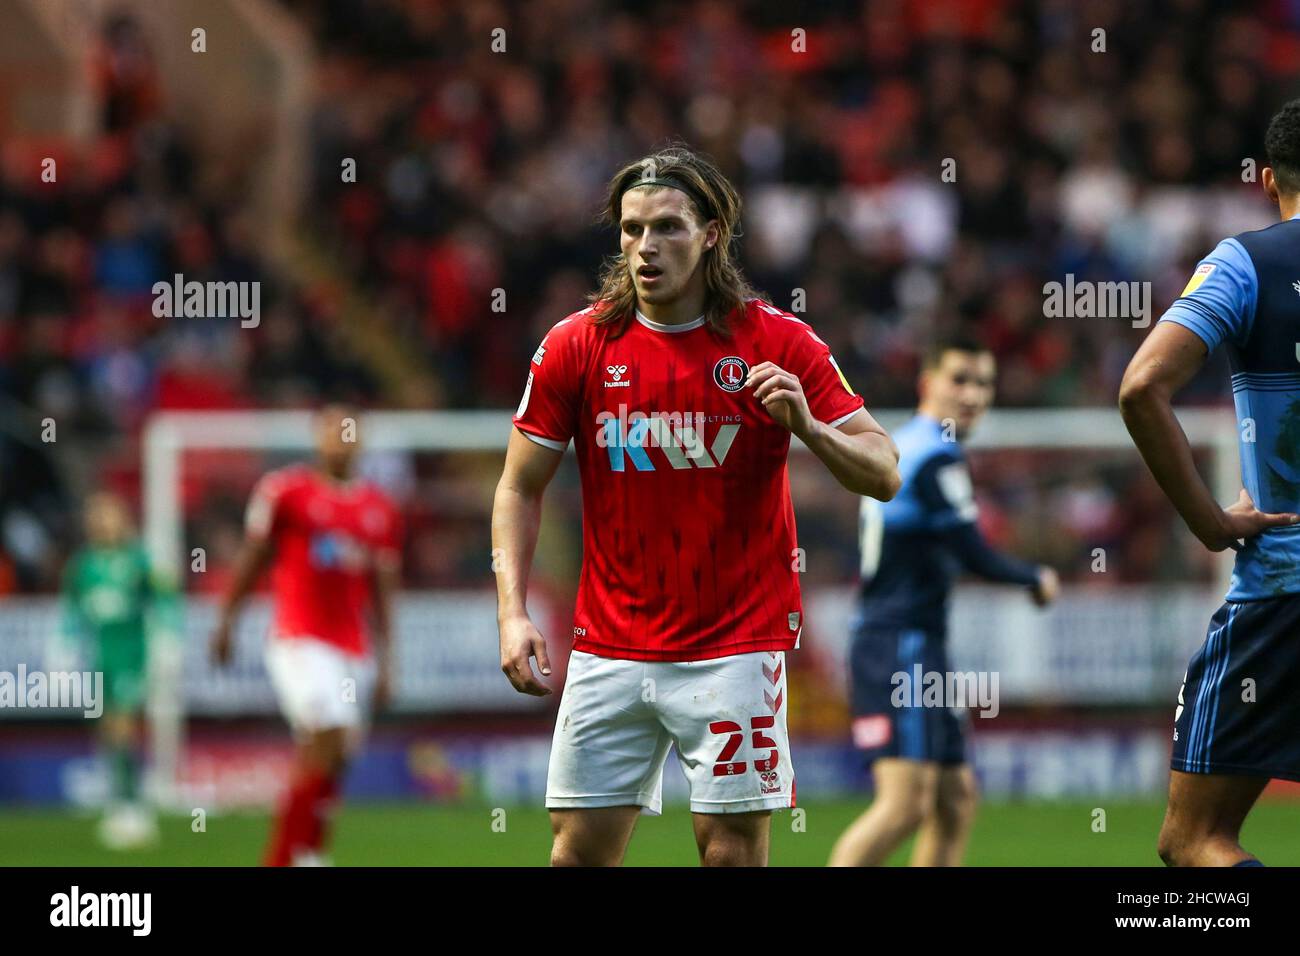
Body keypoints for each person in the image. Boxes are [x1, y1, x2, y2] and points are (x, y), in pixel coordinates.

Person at [492, 145, 901, 866]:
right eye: (631, 229)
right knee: (575, 855)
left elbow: (884, 472)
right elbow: (519, 485)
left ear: (712, 233)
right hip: (608, 646)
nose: (646, 247)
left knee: (730, 856)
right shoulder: (576, 346)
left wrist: (809, 427)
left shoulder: (777, 340)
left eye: (668, 228)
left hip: (734, 648)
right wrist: (512, 612)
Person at [1120, 99, 1300, 867]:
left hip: (1286, 589)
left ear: (1266, 179)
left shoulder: (1248, 262)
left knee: (1194, 839)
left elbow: (1140, 388)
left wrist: (1209, 523)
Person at [829, 336, 1058, 866]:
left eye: (983, 383)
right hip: (898, 643)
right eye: (960, 380)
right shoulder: (933, 456)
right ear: (926, 383)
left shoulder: (907, 444)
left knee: (955, 798)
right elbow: (973, 552)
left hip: (916, 643)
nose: (974, 394)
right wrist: (1035, 578)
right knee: (905, 804)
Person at [211, 404, 401, 866]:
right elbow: (254, 558)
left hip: (353, 649)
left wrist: (389, 659)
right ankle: (281, 858)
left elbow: (382, 590)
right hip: (300, 638)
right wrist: (228, 620)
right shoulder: (286, 492)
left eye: (348, 431)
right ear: (317, 438)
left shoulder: (378, 509)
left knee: (335, 758)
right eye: (332, 430)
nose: (340, 438)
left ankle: (310, 853)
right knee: (326, 735)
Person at [61, 491, 175, 849]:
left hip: (133, 655)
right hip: (100, 658)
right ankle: (121, 800)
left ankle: (133, 806)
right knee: (108, 729)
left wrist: (167, 640)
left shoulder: (139, 561)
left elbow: (165, 600)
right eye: (97, 516)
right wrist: (62, 649)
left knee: (124, 726)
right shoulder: (83, 565)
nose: (103, 523)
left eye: (109, 515)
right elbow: (73, 611)